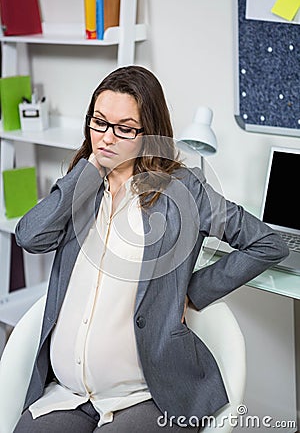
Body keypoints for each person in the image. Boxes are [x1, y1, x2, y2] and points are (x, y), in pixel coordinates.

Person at [14, 65, 288, 432]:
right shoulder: (82, 186)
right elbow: (30, 237)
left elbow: (267, 243)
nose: (106, 138)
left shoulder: (184, 191)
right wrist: (87, 170)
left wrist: (192, 292)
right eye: (98, 122)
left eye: (124, 128)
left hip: (147, 393)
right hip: (67, 393)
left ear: (149, 133)